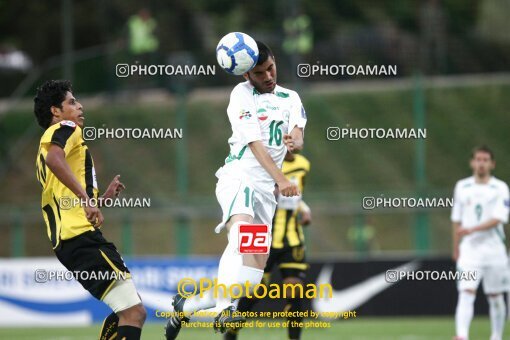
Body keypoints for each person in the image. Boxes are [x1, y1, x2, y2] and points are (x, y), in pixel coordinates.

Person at [165, 41, 307, 338]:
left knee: (252, 279)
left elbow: (298, 132)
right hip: (239, 177)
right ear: (246, 75)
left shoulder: (291, 97)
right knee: (241, 234)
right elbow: (255, 145)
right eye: (259, 73)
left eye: (270, 68)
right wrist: (282, 179)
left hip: (266, 194)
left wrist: (294, 140)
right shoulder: (241, 96)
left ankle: (188, 305)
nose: (268, 76)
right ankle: (223, 307)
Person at [34, 80, 146, 340]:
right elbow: (55, 159)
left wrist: (101, 198)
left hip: (70, 241)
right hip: (80, 237)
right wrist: (86, 198)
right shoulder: (66, 128)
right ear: (56, 111)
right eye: (72, 102)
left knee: (127, 310)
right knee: (134, 313)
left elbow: (64, 198)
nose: (80, 106)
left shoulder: (49, 145)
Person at [225, 151, 311, 340]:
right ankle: (231, 331)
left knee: (294, 290)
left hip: (292, 240)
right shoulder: (265, 162)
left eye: (298, 136)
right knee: (253, 291)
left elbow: (297, 196)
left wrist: (304, 209)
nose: (293, 142)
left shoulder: (304, 164)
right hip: (264, 237)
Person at [452, 145, 510, 340]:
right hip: (469, 250)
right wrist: (456, 248)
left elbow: (499, 218)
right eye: (478, 159)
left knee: (495, 297)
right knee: (466, 292)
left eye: (485, 160)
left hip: (494, 250)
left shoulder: (500, 188)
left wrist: (472, 229)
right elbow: (456, 219)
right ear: (472, 162)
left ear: (492, 164)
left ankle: (496, 336)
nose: (481, 163)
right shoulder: (462, 186)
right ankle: (462, 336)